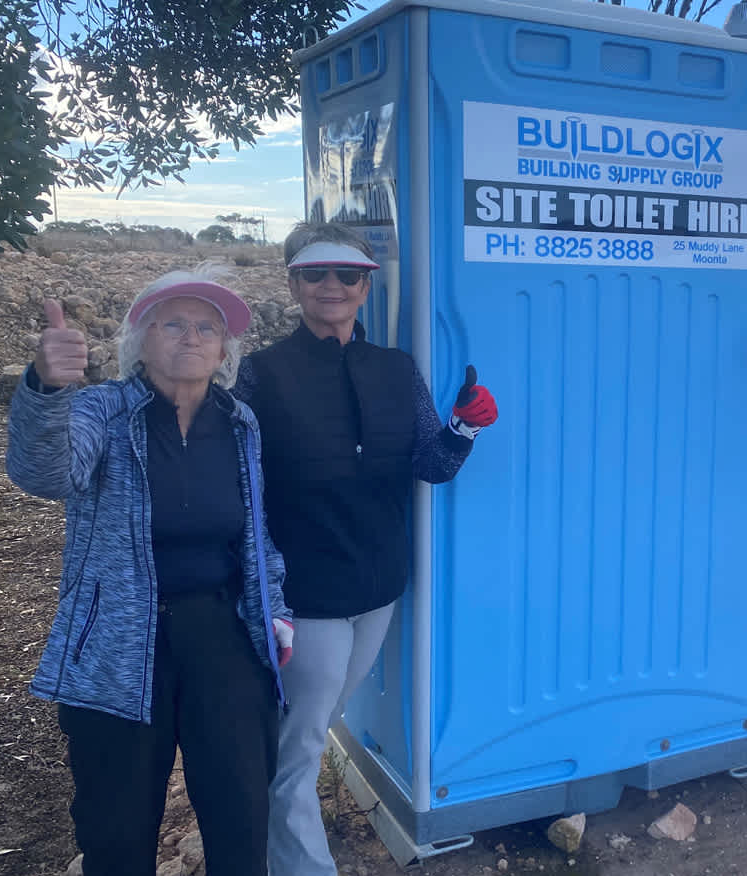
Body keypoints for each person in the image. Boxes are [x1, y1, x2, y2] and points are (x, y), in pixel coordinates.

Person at [6, 266, 293, 876]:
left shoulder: (241, 423)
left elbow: (255, 531)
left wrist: (276, 612)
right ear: (141, 338)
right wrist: (46, 390)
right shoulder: (99, 411)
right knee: (116, 826)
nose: (192, 338)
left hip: (224, 634)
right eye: (173, 324)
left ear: (224, 349)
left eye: (207, 328)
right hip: (117, 641)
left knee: (242, 816)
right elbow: (46, 474)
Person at [233, 222, 498, 876]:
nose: (332, 286)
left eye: (346, 275)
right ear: (293, 281)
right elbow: (239, 491)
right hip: (305, 592)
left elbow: (430, 465)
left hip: (380, 585)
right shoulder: (259, 375)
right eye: (315, 273)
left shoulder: (395, 369)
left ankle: (266, 836)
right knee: (298, 746)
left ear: (364, 286)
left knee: (315, 724)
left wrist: (464, 426)